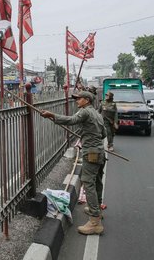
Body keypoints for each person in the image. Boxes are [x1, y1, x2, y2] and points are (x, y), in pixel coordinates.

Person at [40, 90, 106, 235]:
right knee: (97, 181)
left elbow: (71, 120)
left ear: (87, 100)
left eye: (79, 99)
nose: (76, 101)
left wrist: (52, 115)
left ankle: (95, 222)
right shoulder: (97, 113)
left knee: (88, 182)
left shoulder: (85, 112)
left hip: (91, 152)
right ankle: (96, 209)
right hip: (100, 151)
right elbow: (104, 134)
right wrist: (88, 133)